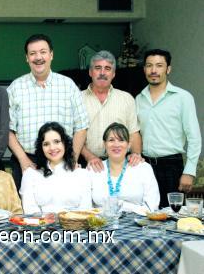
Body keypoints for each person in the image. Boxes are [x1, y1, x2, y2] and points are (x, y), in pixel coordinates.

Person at [7, 34, 89, 190]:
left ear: (51, 54)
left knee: (65, 210)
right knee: (27, 212)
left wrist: (72, 159)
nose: (38, 57)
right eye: (33, 53)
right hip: (27, 162)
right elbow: (7, 130)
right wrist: (23, 160)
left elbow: (81, 126)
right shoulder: (15, 88)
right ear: (27, 58)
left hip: (63, 162)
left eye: (43, 52)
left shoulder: (68, 86)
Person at [136, 49, 201, 208]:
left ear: (168, 69)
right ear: (144, 69)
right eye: (149, 65)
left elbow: (194, 137)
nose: (153, 70)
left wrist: (189, 171)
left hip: (172, 166)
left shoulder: (183, 97)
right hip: (145, 166)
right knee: (147, 213)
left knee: (173, 215)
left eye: (159, 65)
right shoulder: (139, 99)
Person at [81, 50, 143, 171]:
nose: (102, 73)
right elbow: (72, 136)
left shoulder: (126, 99)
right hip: (87, 163)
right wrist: (89, 157)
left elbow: (134, 133)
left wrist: (136, 155)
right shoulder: (77, 99)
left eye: (108, 68)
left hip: (121, 163)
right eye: (98, 68)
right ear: (90, 72)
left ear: (113, 74)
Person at [20, 122, 91, 214]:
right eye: (46, 144)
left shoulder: (82, 174)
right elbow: (30, 210)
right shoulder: (30, 174)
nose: (52, 148)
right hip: (41, 227)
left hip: (75, 226)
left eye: (57, 142)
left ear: (65, 143)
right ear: (41, 148)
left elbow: (85, 210)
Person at [90, 123, 160, 213]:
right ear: (104, 144)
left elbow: (152, 207)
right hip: (101, 224)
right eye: (111, 140)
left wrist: (123, 206)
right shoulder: (93, 170)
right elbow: (87, 208)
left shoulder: (143, 169)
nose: (116, 144)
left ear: (129, 145)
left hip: (136, 224)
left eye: (121, 140)